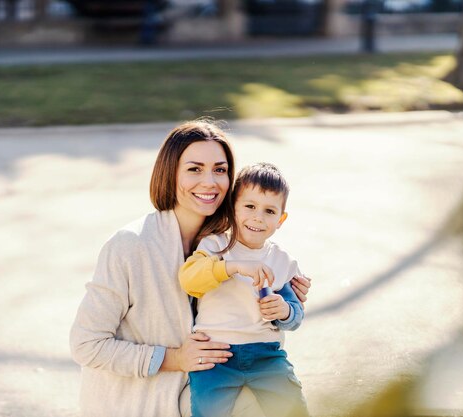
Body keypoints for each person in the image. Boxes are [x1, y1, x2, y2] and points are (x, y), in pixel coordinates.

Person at [69, 120, 312, 417]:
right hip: (140, 401)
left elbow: (256, 328)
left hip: (204, 388)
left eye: (220, 170)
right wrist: (174, 358)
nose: (209, 181)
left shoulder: (234, 242)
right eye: (194, 169)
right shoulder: (130, 245)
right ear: (170, 174)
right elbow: (87, 345)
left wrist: (286, 304)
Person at [179, 162, 310, 417]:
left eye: (269, 211)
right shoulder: (214, 245)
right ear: (233, 207)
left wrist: (284, 311)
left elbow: (295, 316)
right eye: (249, 206)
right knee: (207, 411)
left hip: (266, 356)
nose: (258, 217)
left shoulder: (282, 260)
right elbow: (189, 280)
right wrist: (232, 266)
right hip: (216, 356)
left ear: (281, 219)